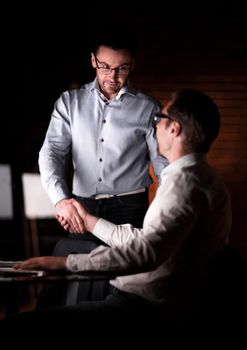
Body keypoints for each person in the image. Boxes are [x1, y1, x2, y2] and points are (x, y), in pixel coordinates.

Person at [1, 89, 232, 338]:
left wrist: (67, 264)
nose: (155, 126)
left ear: (174, 129)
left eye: (158, 119)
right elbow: (148, 241)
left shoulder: (184, 184)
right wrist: (89, 221)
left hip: (142, 310)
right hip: (145, 304)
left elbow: (147, 253)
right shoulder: (202, 178)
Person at [36, 29, 167, 305]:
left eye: (122, 68)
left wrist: (166, 211)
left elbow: (164, 167)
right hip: (80, 205)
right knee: (76, 279)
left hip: (130, 207)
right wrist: (61, 201)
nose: (113, 76)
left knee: (122, 283)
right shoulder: (69, 103)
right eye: (105, 66)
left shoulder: (149, 108)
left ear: (132, 64)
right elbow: (51, 153)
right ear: (93, 60)